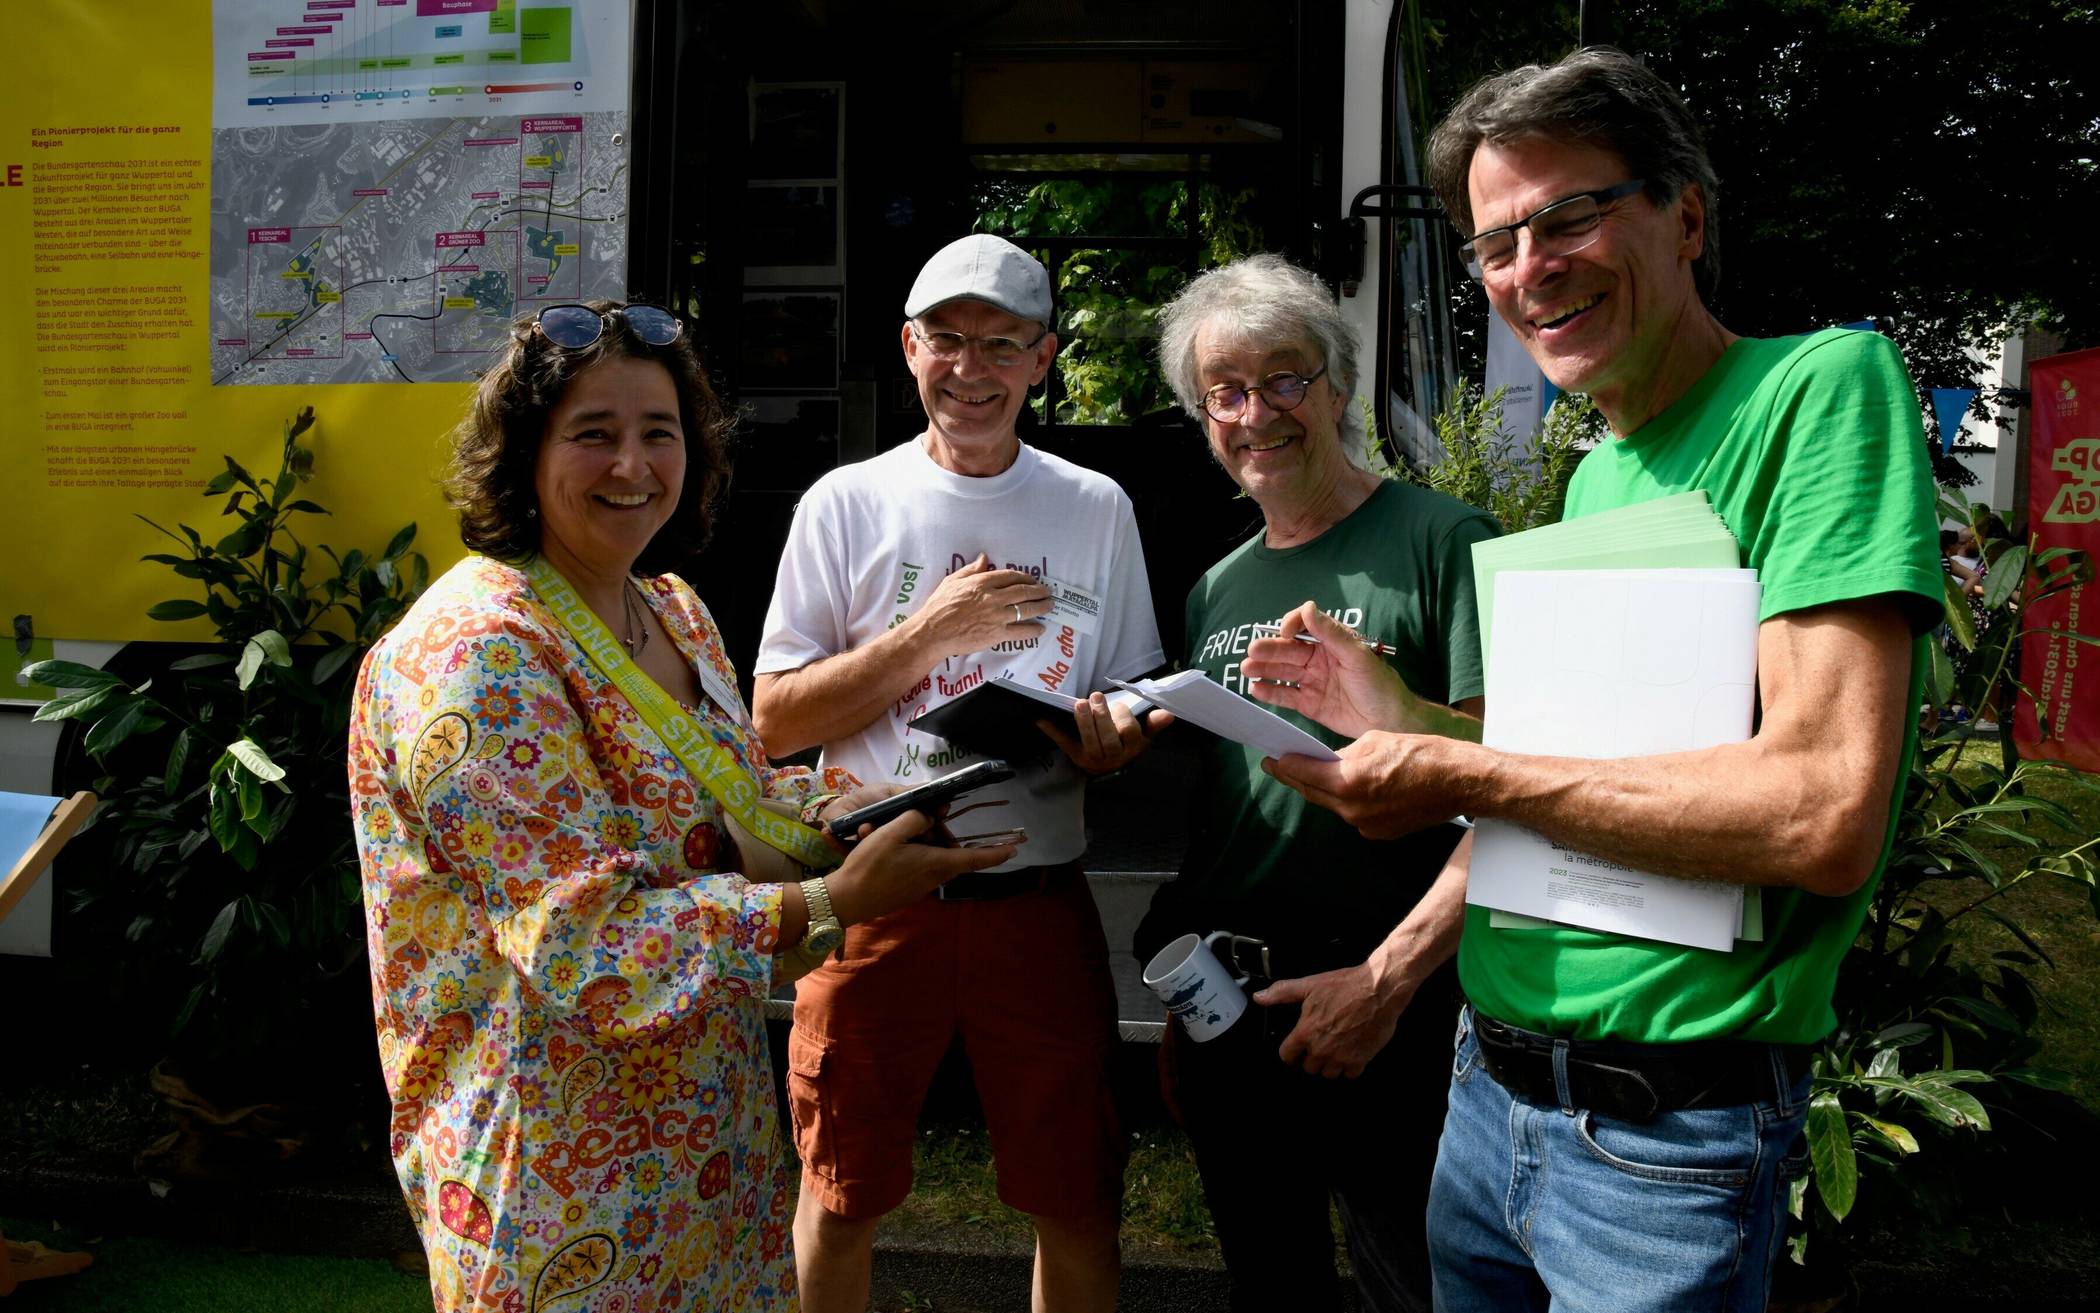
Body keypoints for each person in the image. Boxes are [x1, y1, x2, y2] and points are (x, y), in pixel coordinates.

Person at [1245, 48, 1941, 1312]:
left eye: (1569, 216)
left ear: (1686, 216)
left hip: (1659, 1137)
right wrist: (1398, 713)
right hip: (1488, 1094)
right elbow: (1570, 774)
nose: (1529, 268)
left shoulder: (1820, 391)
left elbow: (1822, 813)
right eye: (1495, 244)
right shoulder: (1599, 474)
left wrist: (1453, 767)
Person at [347, 300, 1013, 1312]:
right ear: (523, 452)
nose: (633, 465)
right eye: (593, 433)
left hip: (707, 1146)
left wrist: (850, 804)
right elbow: (582, 941)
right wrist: (834, 900)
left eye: (659, 431)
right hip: (553, 1173)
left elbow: (730, 792)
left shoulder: (670, 608)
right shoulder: (477, 650)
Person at [752, 234, 1166, 1313]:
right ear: (909, 347)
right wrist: (928, 634)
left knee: (1076, 1196)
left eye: (1001, 344)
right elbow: (776, 719)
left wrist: (1116, 735)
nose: (970, 369)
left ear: (1043, 359)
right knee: (839, 1190)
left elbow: (1132, 691)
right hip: (874, 895)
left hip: (1039, 898)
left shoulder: (1096, 505)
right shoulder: (846, 500)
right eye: (946, 339)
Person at [1132, 254, 1498, 1313]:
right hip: (1233, 1007)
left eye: (1284, 379)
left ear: (1338, 386)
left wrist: (1387, 981)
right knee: (1270, 1286)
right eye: (1225, 393)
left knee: (1415, 1289)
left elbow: (1512, 780)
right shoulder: (1217, 585)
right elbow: (1230, 807)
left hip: (1391, 1000)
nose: (1256, 414)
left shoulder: (1445, 539)